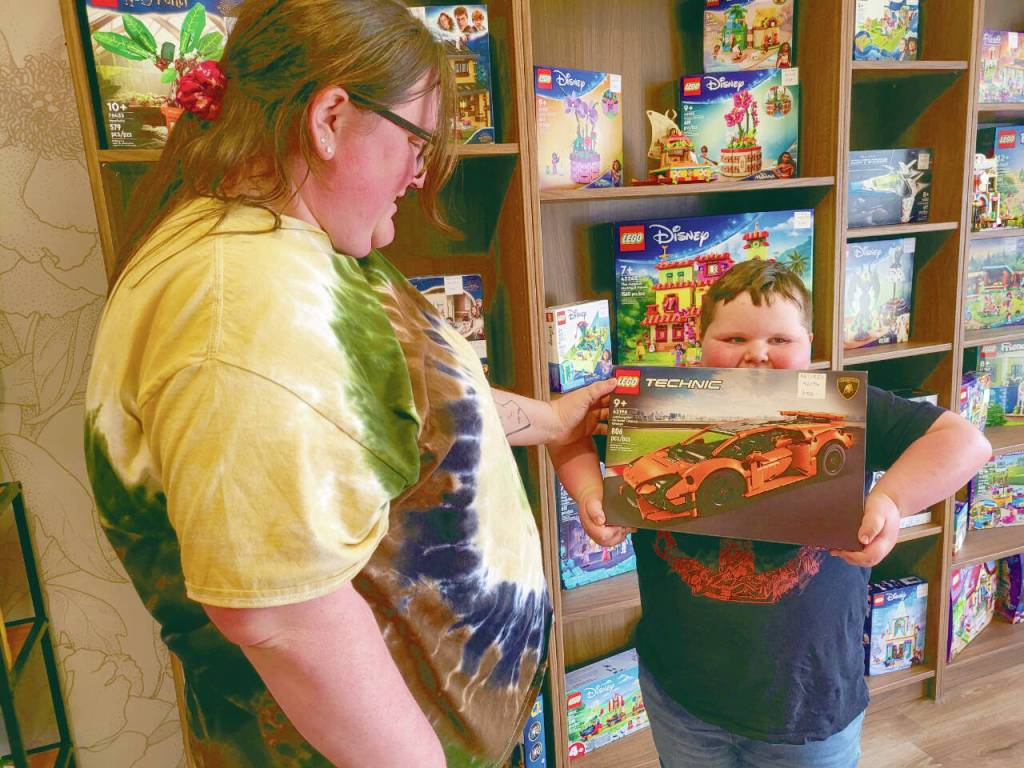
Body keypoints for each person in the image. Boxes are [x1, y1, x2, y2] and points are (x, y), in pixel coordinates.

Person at [83, 2, 611, 766]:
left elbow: (398, 419)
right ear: (331, 118)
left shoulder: (292, 252)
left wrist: (551, 420)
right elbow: (279, 618)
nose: (418, 174)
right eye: (417, 142)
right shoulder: (242, 304)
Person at [576, 260, 991, 768]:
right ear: (698, 340)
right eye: (732, 339)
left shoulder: (839, 408)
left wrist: (891, 499)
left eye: (780, 340)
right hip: (681, 692)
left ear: (810, 343)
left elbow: (966, 442)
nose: (756, 354)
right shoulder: (656, 403)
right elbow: (566, 428)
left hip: (809, 702)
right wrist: (589, 493)